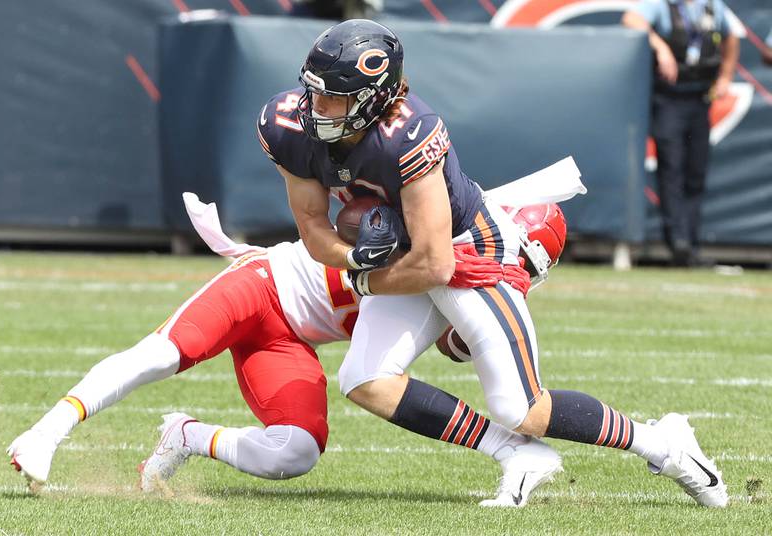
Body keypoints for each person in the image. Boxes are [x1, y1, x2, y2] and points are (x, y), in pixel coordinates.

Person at [262, 18, 728, 507]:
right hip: (408, 256)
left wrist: (363, 281)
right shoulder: (288, 125)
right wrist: (355, 255)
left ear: (376, 98)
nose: (318, 108)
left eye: (335, 97)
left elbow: (436, 266)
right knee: (365, 380)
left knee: (521, 407)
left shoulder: (409, 135)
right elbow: (314, 227)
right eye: (313, 92)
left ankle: (666, 445)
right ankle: (518, 456)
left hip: (469, 249)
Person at [6, 195, 559, 506]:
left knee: (295, 453)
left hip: (290, 340)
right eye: (523, 263)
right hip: (265, 285)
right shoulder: (436, 229)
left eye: (530, 273)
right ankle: (45, 432)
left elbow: (449, 341)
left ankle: (187, 435)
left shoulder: (472, 275)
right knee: (163, 354)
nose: (520, 276)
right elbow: (361, 214)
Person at [623, 1, 739, 266]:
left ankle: (692, 242)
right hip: (670, 99)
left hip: (700, 99)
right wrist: (660, 46)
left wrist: (726, 76)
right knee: (672, 168)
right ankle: (678, 242)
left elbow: (731, 37)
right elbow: (631, 19)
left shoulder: (712, 6)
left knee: (695, 172)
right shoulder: (661, 5)